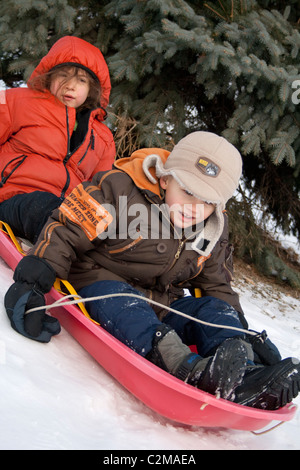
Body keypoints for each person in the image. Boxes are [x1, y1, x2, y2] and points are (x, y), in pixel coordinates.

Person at [5, 131, 300, 410]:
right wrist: (34, 278)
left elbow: (217, 285)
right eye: (187, 190)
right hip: (101, 281)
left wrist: (241, 332)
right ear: (164, 178)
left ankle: (244, 372)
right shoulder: (120, 189)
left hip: (162, 301)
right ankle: (186, 367)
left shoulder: (211, 228)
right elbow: (69, 227)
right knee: (122, 300)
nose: (194, 207)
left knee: (212, 307)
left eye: (207, 201)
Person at [0, 35, 115, 243]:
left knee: (102, 232)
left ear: (92, 90)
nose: (70, 86)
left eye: (81, 80)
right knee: (45, 208)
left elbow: (101, 191)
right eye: (63, 75)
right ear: (49, 77)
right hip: (14, 198)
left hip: (67, 215)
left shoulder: (103, 138)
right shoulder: (18, 101)